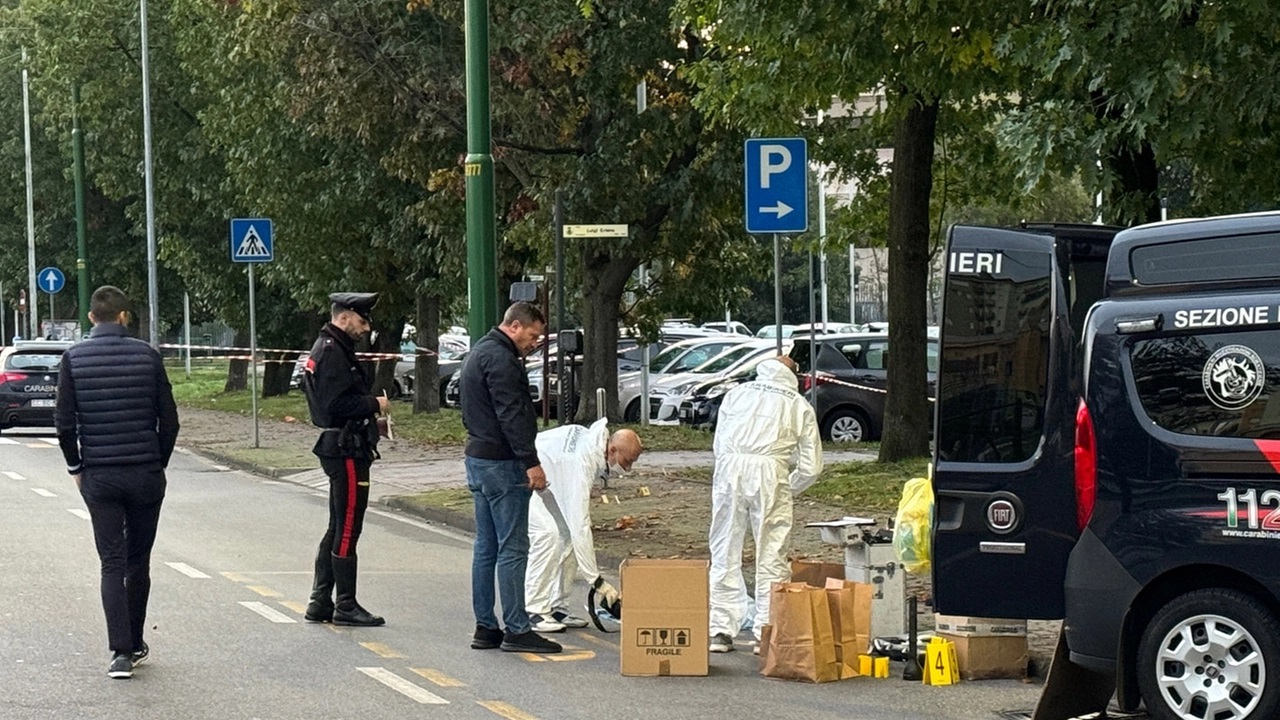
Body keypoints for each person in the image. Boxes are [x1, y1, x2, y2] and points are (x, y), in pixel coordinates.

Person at [55, 286, 180, 679]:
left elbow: (63, 423)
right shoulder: (148, 356)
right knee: (138, 561)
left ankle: (120, 653)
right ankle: (137, 639)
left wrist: (77, 467)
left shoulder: (73, 358)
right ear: (125, 316)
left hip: (100, 476)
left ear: (91, 318)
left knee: (111, 562)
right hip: (144, 475)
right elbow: (170, 420)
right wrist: (156, 461)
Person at [460, 302, 561, 654]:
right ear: (515, 326)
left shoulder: (478, 353)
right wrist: (530, 461)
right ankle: (517, 627)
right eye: (533, 335)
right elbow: (512, 415)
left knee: (485, 546)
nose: (534, 343)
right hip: (503, 463)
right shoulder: (503, 360)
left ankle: (485, 626)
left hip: (477, 457)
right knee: (514, 547)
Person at [707, 355, 823, 653]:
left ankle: (721, 628)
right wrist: (787, 487)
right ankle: (765, 632)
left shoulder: (736, 393)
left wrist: (728, 466)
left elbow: (719, 444)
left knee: (724, 548)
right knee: (771, 553)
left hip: (730, 469)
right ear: (794, 376)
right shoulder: (799, 406)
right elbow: (811, 467)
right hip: (771, 473)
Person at [302, 292, 390, 627]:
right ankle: (346, 604)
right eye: (362, 321)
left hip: (343, 444)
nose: (365, 329)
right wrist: (374, 405)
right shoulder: (332, 353)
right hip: (346, 447)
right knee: (349, 525)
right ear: (345, 317)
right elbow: (332, 407)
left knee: (338, 524)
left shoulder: (333, 348)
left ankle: (321, 599)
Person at [525, 419, 642, 633]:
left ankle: (556, 606)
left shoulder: (590, 442)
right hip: (525, 477)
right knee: (548, 535)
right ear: (612, 449)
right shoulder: (582, 462)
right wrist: (596, 581)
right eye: (627, 461)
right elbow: (581, 524)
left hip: (545, 479)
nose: (628, 468)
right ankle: (534, 610)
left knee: (566, 535)